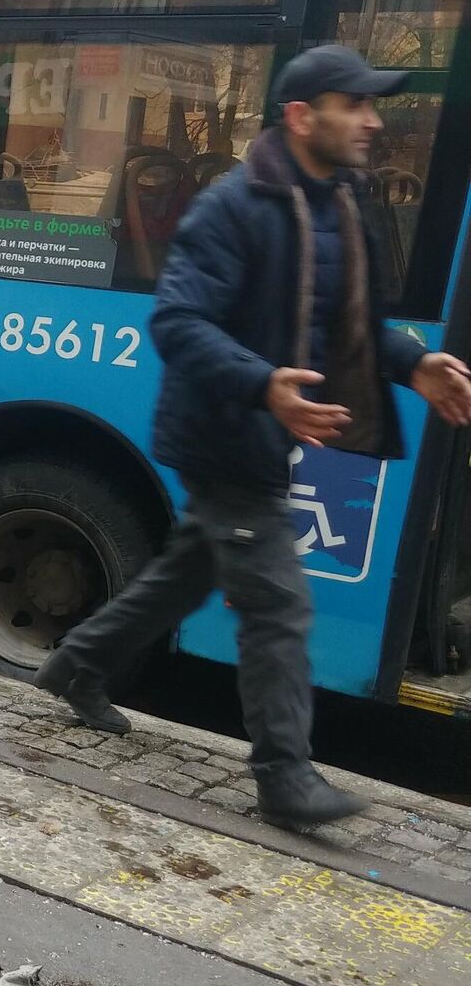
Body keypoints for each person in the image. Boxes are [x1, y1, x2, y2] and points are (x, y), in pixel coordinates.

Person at [33, 45, 471, 829]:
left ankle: (79, 663)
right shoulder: (232, 207)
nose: (375, 121)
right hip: (225, 427)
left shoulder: (338, 201)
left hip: (268, 424)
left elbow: (351, 322)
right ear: (303, 116)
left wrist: (414, 364)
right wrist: (261, 383)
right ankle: (284, 776)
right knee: (277, 602)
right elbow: (176, 320)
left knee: (190, 570)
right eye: (357, 105)